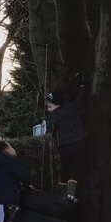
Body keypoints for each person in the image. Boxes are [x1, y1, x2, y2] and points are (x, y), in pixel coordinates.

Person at [45, 74, 87, 202]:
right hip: (79, 142)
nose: (48, 109)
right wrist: (82, 86)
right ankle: (70, 194)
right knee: (75, 168)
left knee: (65, 168)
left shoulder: (54, 117)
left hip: (64, 146)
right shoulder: (71, 108)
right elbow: (80, 100)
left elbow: (54, 132)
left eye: (50, 106)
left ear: (57, 105)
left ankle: (62, 194)